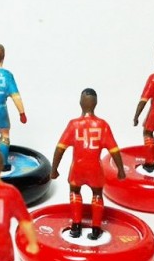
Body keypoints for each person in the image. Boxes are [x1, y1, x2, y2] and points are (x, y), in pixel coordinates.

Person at [51, 88, 126, 240]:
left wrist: (54, 169)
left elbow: (60, 148)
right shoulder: (103, 125)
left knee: (74, 191)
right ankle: (96, 228)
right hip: (95, 169)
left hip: (77, 168)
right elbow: (114, 150)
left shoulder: (74, 124)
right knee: (97, 194)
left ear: (80, 102)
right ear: (96, 103)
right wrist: (120, 169)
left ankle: (76, 226)